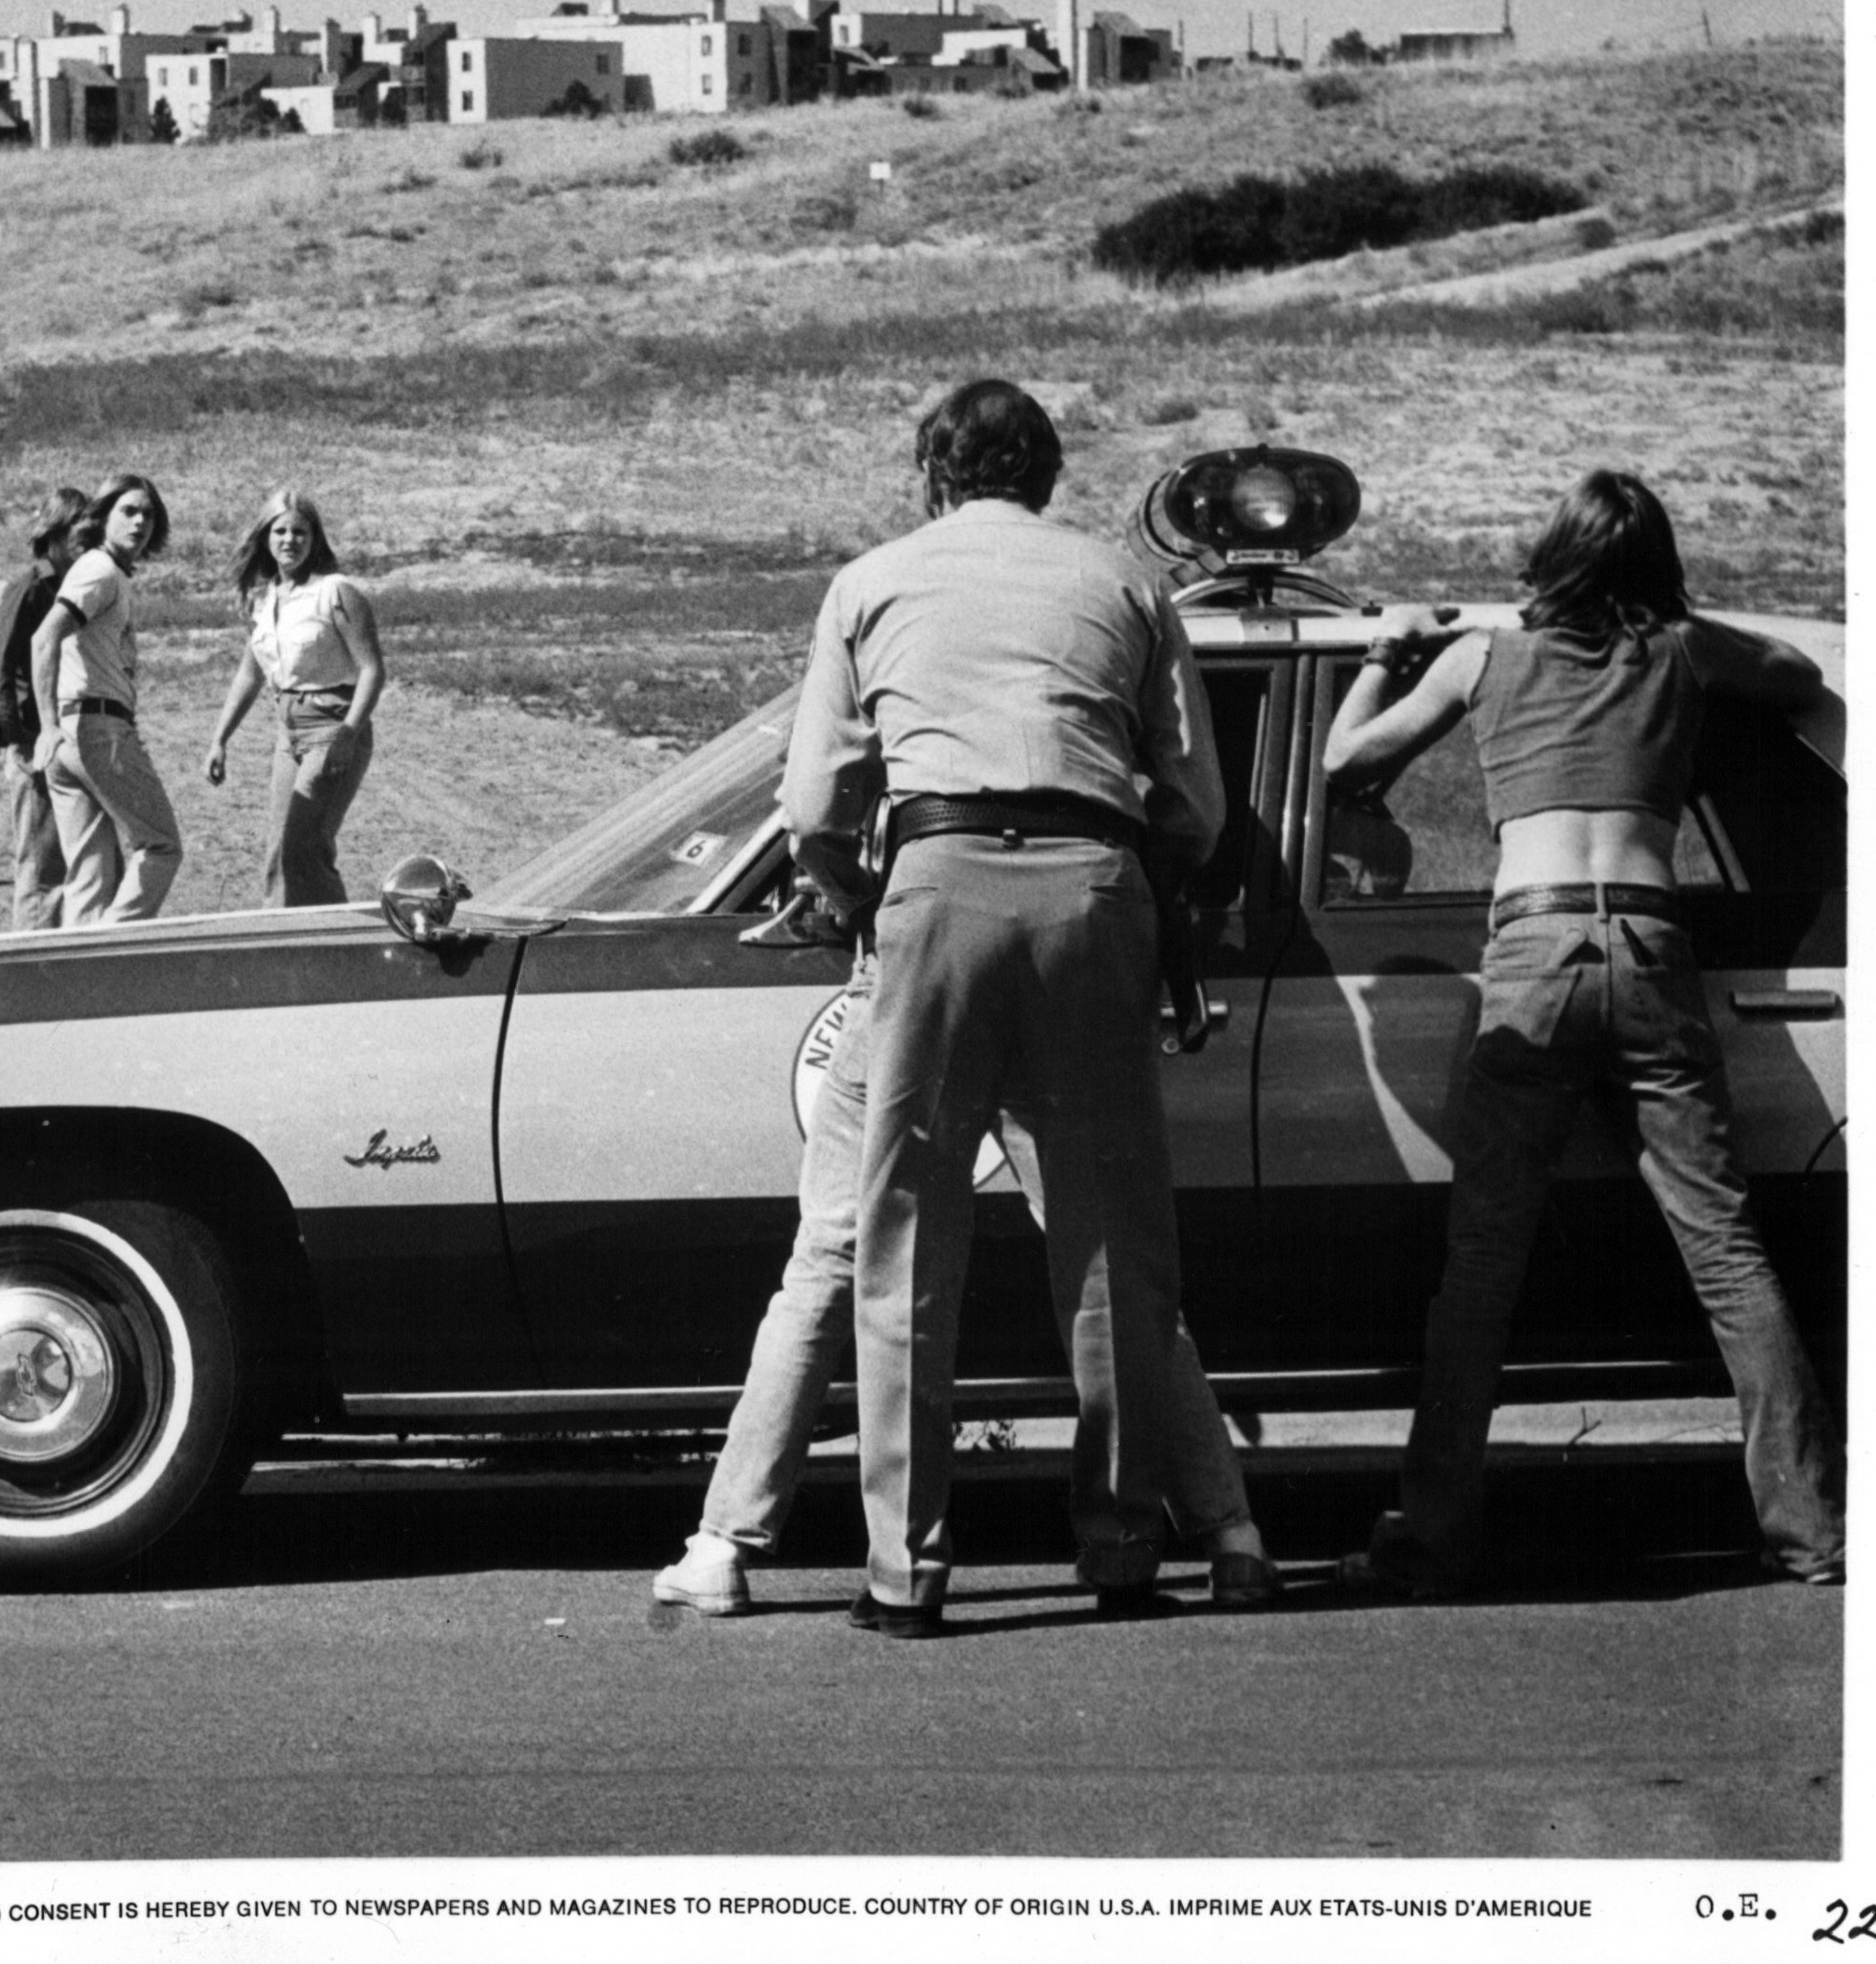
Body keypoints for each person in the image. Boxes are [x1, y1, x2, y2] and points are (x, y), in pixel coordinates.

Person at [653, 405, 1270, 1628]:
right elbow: (1196, 801)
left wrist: (863, 898)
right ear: (1045, 477)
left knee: (889, 1249)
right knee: (1112, 1253)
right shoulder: (1123, 584)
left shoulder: (873, 583)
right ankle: (1133, 1547)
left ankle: (905, 1570)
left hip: (932, 896)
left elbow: (819, 799)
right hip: (1094, 900)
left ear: (932, 474)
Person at [1323, 470, 1844, 1597]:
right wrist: (1674, 617)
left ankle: (1431, 1539)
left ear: (1546, 559)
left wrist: (1388, 648)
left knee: (1481, 1267)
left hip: (1536, 949)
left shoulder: (1483, 657)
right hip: (1654, 946)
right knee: (1727, 1248)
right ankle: (1810, 1531)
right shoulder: (1684, 655)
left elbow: (1345, 766)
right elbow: (1799, 675)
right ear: (1653, 569)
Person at [203, 488, 387, 907]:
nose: (290, 540)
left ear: (315, 538)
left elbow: (373, 670)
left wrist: (349, 732)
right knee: (277, 855)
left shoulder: (336, 592)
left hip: (334, 729)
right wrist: (219, 739)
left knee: (305, 849)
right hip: (289, 736)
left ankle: (340, 950)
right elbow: (250, 674)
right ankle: (278, 945)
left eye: (300, 532)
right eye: (281, 531)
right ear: (266, 537)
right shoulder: (264, 600)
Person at [29, 476, 182, 924]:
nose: (140, 522)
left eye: (149, 515)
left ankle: (84, 981)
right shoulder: (100, 570)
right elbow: (44, 638)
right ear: (103, 517)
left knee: (89, 875)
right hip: (96, 731)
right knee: (162, 845)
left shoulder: (102, 570)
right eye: (129, 511)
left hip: (75, 740)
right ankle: (116, 944)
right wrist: (47, 725)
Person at [0, 488, 90, 930]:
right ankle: (31, 964)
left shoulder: (77, 585)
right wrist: (16, 744)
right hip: (33, 741)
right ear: (54, 533)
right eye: (81, 531)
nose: (89, 540)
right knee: (41, 865)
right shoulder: (29, 587)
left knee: (70, 859)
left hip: (69, 736)